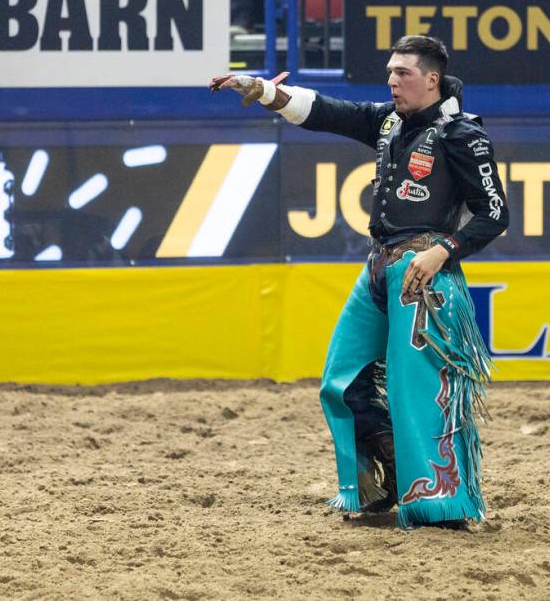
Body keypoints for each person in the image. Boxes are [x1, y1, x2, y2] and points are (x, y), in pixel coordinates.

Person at [209, 35, 509, 529]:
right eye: (390, 71)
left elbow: (494, 213)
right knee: (341, 380)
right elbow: (328, 111)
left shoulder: (462, 134)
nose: (392, 81)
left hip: (423, 275)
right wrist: (262, 90)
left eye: (403, 74)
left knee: (419, 389)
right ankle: (382, 484)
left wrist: (443, 250)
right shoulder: (389, 122)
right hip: (379, 266)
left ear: (431, 79)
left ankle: (440, 505)